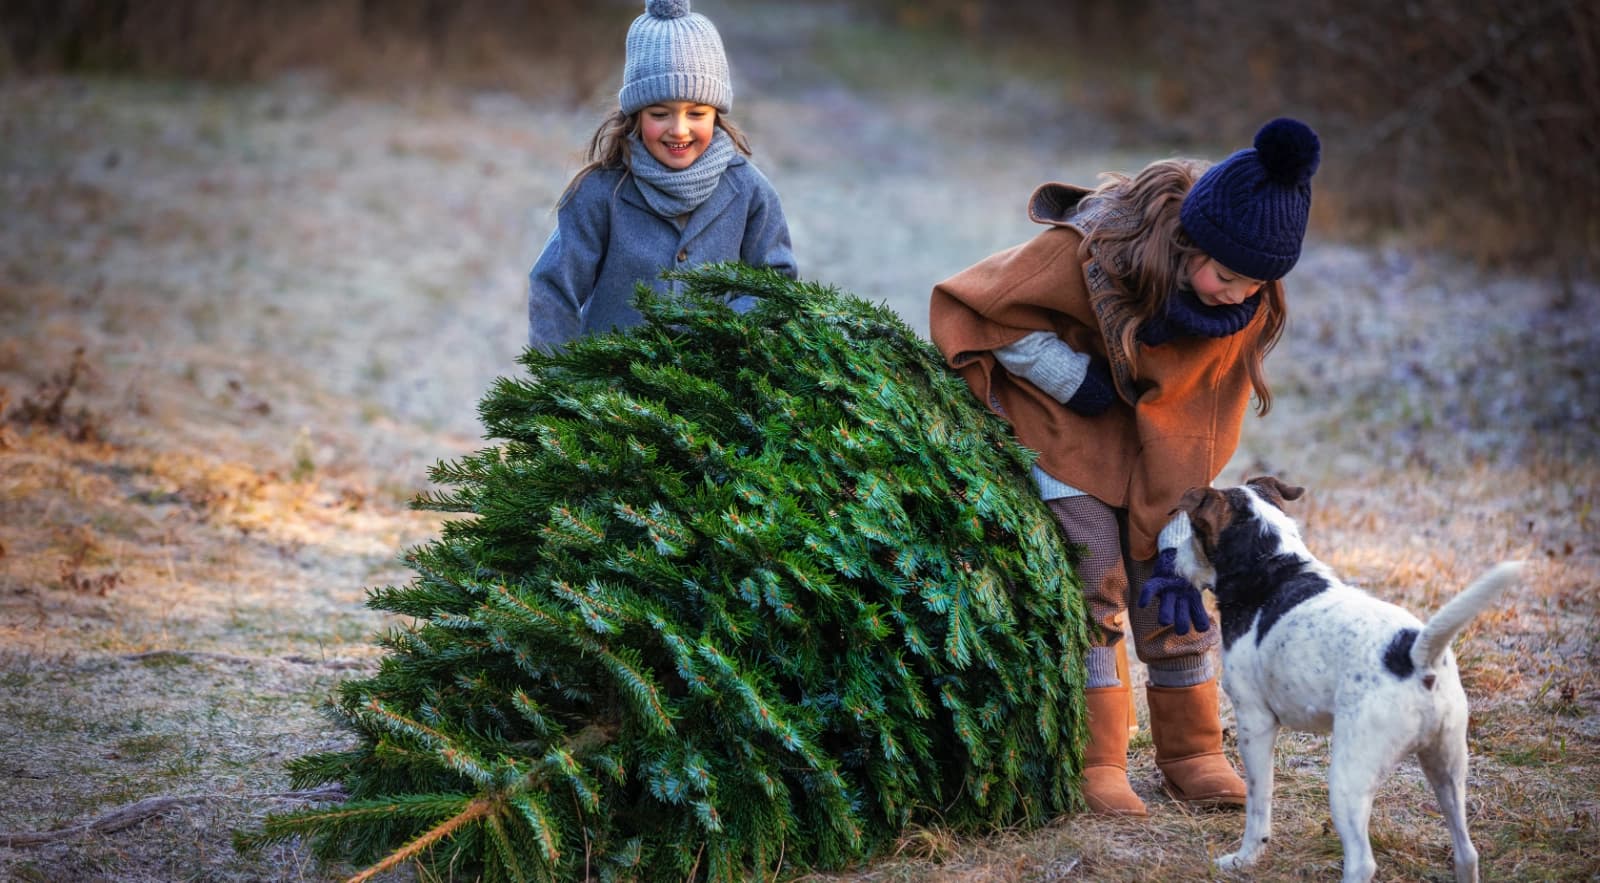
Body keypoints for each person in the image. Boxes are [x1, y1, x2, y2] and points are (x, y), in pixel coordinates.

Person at [929, 118, 1320, 816]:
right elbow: (981, 304)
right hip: (1068, 426)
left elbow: (1198, 419)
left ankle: (1193, 750)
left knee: (1173, 579)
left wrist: (1177, 521)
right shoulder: (1093, 255)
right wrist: (1070, 377)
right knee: (1094, 567)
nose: (1235, 292)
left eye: (1254, 284)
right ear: (1188, 242)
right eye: (1225, 274)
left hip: (1154, 451)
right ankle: (1098, 755)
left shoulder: (1241, 308)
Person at [528, 0, 796, 350]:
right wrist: (562, 381)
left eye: (697, 113)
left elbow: (776, 281)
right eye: (660, 113)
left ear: (716, 114)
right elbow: (552, 288)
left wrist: (729, 331)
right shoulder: (600, 193)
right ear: (636, 115)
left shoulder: (748, 192)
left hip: (713, 395)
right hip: (611, 395)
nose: (679, 129)